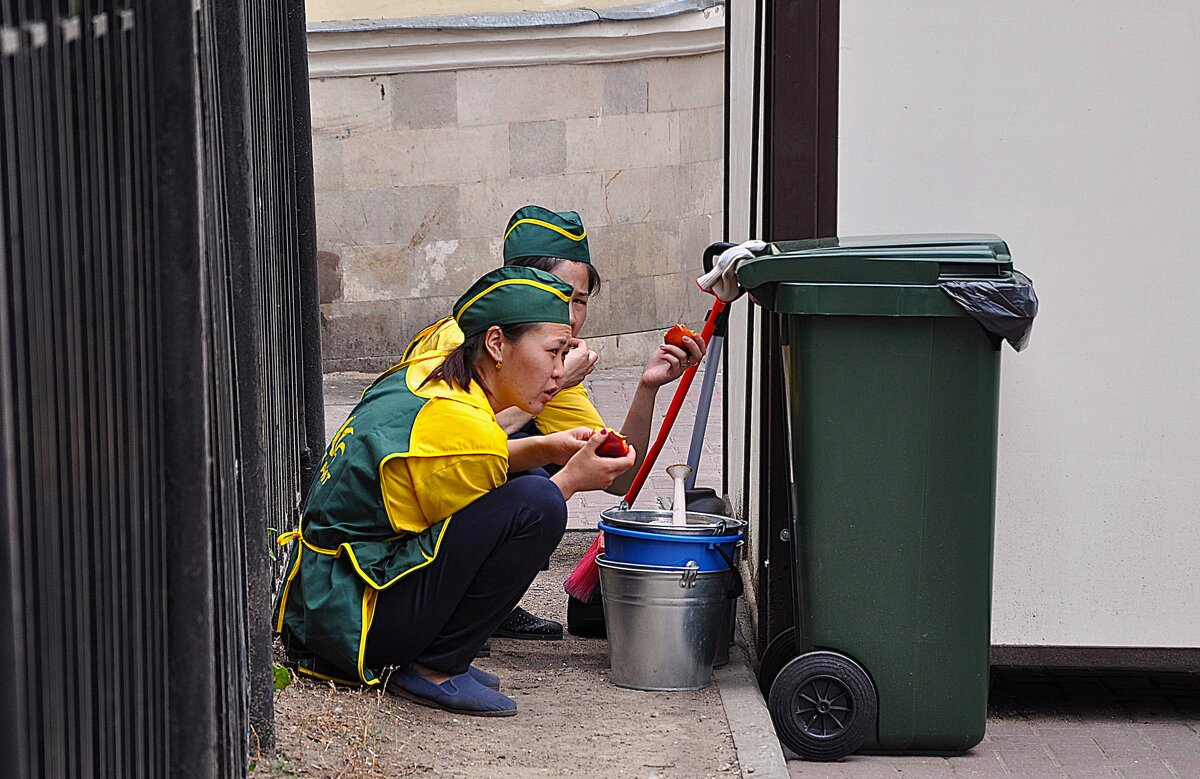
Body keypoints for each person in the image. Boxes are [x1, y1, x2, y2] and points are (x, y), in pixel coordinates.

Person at [274, 266, 635, 716]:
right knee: (541, 500)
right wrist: (571, 479)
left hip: (322, 597)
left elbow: (477, 455)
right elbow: (490, 480)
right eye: (553, 352)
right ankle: (434, 668)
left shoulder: (433, 373)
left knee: (529, 484)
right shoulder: (466, 431)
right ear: (497, 343)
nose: (560, 372)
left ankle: (433, 655)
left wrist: (545, 446)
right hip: (352, 622)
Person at [403, 205, 707, 639]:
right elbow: (450, 449)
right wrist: (554, 391)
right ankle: (450, 618)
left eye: (580, 301)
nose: (571, 314)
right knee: (542, 480)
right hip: (411, 531)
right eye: (557, 293)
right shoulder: (459, 341)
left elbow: (618, 479)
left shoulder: (549, 356)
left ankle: (487, 602)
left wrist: (646, 387)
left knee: (552, 457)